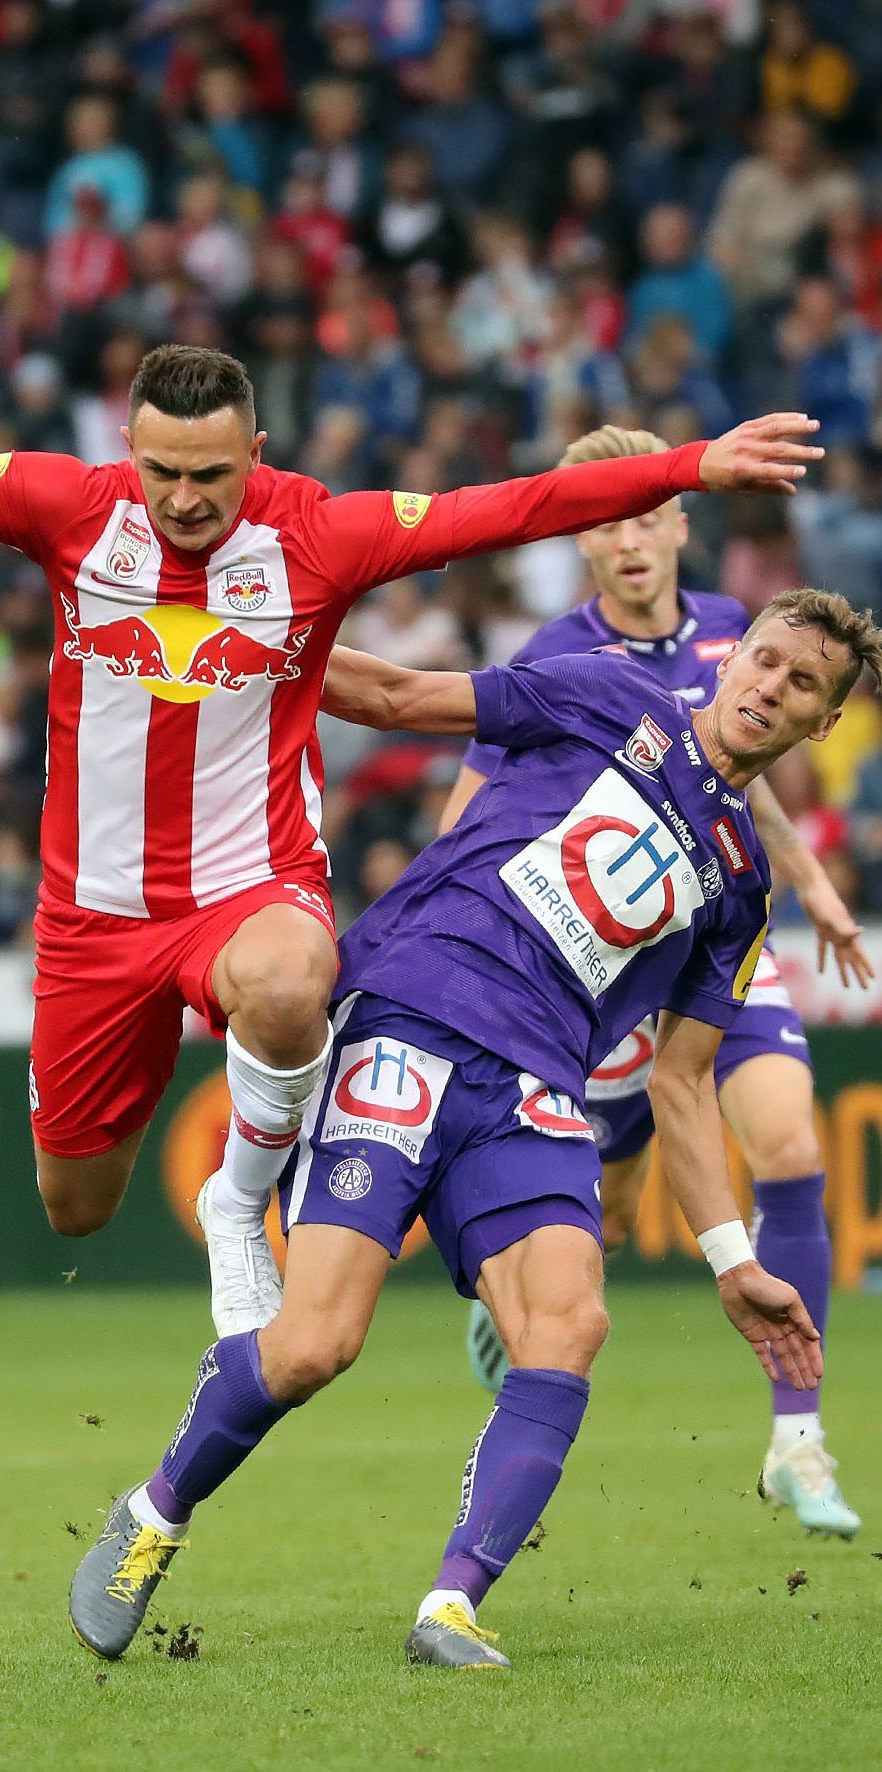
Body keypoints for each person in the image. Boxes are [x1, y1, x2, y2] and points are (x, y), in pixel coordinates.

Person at [0, 337, 825, 1338]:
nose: (182, 499)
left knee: (297, 975)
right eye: (160, 471)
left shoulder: (317, 533)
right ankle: (173, 1137)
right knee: (74, 1204)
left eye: (210, 474)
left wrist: (689, 463)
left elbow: (507, 509)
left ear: (255, 452)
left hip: (248, 888)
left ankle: (236, 1199)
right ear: (126, 448)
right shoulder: (68, 506)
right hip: (92, 914)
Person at [68, 587, 879, 1669]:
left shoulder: (737, 883)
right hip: (406, 1012)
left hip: (535, 1086)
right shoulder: (607, 692)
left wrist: (729, 1259)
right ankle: (154, 1513)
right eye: (765, 661)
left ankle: (450, 1603)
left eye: (800, 685)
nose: (770, 687)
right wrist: (234, 648)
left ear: (820, 723)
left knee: (568, 1326)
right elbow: (401, 694)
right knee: (314, 1345)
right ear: (732, 661)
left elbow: (681, 1084)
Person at [440, 426, 869, 1538]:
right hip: (610, 961)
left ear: (679, 522)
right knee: (613, 1220)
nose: (627, 540)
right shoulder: (555, 651)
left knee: (787, 1145)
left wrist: (810, 883)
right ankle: (510, 1315)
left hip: (723, 933)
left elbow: (750, 778)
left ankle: (795, 1438)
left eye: (643, 515)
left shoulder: (739, 633)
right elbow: (477, 787)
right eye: (603, 520)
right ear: (579, 540)